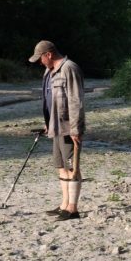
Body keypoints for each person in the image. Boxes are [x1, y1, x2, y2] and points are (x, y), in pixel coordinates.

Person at [28, 40, 85, 221]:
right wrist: (48, 122)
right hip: (55, 126)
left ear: (49, 55)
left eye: (40, 58)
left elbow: (76, 101)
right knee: (60, 166)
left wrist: (76, 129)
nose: (39, 62)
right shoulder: (49, 71)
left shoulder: (70, 68)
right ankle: (64, 205)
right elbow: (50, 99)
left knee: (71, 167)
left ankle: (73, 209)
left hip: (68, 127)